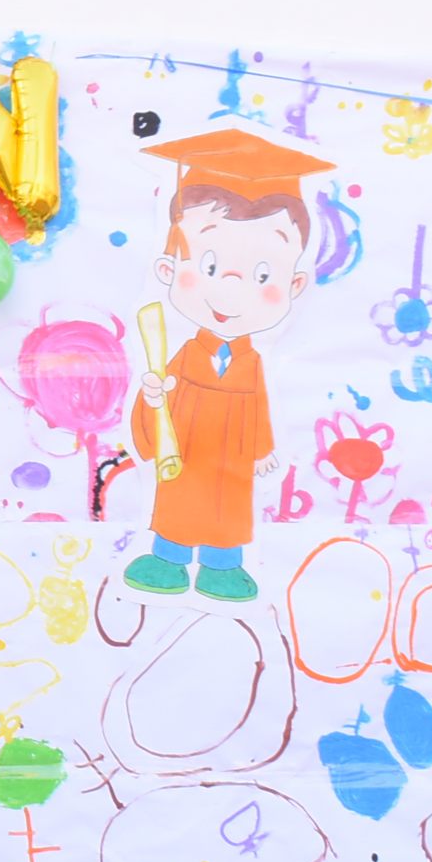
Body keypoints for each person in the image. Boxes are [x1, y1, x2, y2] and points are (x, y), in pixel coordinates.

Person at [119, 128, 332, 602]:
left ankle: (221, 565)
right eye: (210, 266)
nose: (232, 292)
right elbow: (156, 402)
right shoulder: (183, 355)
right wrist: (155, 398)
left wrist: (261, 451)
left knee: (228, 507)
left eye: (262, 276)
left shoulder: (252, 363)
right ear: (168, 269)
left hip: (231, 453)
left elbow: (256, 410)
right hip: (189, 444)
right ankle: (168, 557)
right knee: (180, 499)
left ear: (295, 284)